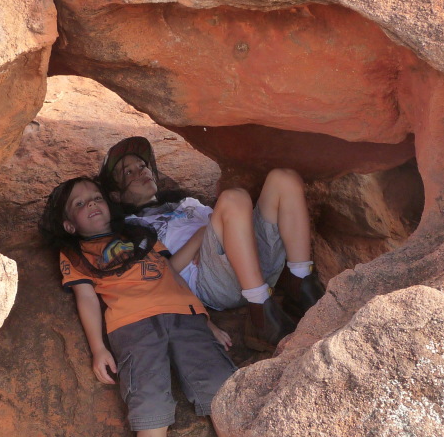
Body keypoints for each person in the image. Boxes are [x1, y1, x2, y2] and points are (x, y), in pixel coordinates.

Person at [40, 176, 237, 437]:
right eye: (80, 203)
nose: (91, 203)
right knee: (148, 402)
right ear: (69, 226)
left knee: (221, 388)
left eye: (96, 198)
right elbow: (87, 298)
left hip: (184, 316)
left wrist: (206, 320)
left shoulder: (141, 235)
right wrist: (98, 348)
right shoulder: (76, 254)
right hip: (132, 325)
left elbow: (171, 274)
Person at [97, 137, 325, 352]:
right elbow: (163, 274)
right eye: (129, 172)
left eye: (142, 165)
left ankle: (301, 284)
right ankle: (261, 313)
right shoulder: (132, 228)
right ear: (116, 196)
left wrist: (209, 236)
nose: (141, 171)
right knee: (233, 198)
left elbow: (228, 224)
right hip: (212, 281)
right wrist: (200, 238)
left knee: (283, 177)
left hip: (252, 262)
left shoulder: (187, 203)